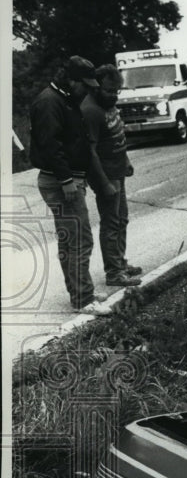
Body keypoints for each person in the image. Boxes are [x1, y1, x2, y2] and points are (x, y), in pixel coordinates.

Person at [30, 55, 111, 315]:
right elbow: (51, 146)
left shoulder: (65, 98)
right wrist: (66, 180)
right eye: (84, 85)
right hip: (60, 181)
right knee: (80, 239)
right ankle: (83, 298)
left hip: (66, 178)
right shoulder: (50, 101)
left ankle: (79, 291)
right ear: (71, 79)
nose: (87, 90)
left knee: (70, 240)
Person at [82, 64, 141, 287]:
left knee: (122, 219)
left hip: (118, 171)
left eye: (117, 90)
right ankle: (114, 273)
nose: (114, 95)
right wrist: (104, 182)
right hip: (106, 175)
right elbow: (90, 151)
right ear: (96, 87)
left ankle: (120, 263)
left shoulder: (109, 105)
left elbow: (117, 135)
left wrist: (126, 160)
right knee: (111, 222)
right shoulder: (91, 110)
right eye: (109, 90)